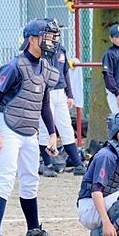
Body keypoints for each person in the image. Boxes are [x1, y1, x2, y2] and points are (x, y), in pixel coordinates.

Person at [0, 18, 64, 236]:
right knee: (6, 178)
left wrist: (52, 134)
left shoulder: (46, 68)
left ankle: (33, 230)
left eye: (53, 37)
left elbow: (44, 104)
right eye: (47, 37)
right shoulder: (14, 66)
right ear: (32, 39)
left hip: (29, 131)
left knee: (31, 180)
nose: (52, 42)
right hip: (7, 127)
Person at [37, 43, 87, 177]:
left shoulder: (61, 49)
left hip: (60, 92)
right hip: (47, 91)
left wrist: (69, 94)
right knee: (45, 129)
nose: (55, 36)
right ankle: (46, 165)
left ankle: (78, 164)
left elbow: (66, 73)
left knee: (67, 129)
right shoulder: (40, 50)